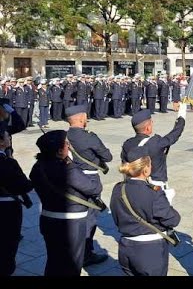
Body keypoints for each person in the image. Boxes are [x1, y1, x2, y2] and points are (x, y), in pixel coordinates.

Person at [30, 130, 103, 276]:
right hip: (71, 224)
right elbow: (94, 188)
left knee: (54, 262)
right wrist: (71, 164)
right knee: (71, 266)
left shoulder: (37, 168)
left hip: (48, 219)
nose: (69, 147)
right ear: (59, 151)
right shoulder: (67, 169)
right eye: (66, 144)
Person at [110, 146, 181, 276]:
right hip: (149, 252)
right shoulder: (153, 193)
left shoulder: (118, 189)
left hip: (126, 248)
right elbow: (174, 219)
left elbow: (116, 217)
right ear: (146, 169)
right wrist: (168, 201)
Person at [65, 105, 112, 267]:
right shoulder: (89, 137)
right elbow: (108, 156)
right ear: (80, 118)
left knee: (78, 214)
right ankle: (86, 254)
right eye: (85, 116)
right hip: (90, 180)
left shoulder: (65, 136)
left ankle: (76, 250)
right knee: (90, 218)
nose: (86, 118)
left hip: (72, 178)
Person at [121, 106, 186, 204]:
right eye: (151, 122)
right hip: (155, 187)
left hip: (134, 186)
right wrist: (181, 116)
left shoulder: (127, 144)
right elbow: (174, 134)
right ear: (147, 127)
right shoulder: (155, 143)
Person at [0, 131, 33, 276]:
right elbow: (24, 186)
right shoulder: (7, 162)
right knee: (8, 242)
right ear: (1, 142)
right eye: (7, 136)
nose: (9, 139)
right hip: (6, 208)